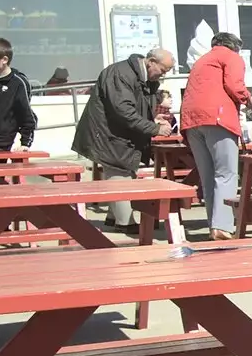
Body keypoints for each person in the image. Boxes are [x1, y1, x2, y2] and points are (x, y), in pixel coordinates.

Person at [72, 48, 178, 232]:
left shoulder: (138, 76)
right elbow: (124, 111)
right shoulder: (120, 74)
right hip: (107, 133)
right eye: (163, 70)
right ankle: (125, 222)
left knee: (122, 169)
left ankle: (114, 217)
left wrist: (151, 120)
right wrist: (154, 127)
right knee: (119, 170)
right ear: (151, 61)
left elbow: (135, 107)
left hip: (116, 132)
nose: (163, 75)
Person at [181, 31, 252, 240]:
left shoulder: (202, 60)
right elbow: (235, 85)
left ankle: (214, 224)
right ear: (235, 47)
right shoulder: (231, 57)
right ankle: (222, 226)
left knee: (208, 176)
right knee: (226, 173)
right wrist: (249, 100)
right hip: (218, 118)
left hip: (192, 120)